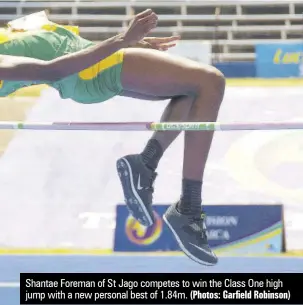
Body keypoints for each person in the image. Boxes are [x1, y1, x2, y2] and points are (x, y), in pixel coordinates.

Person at [0, 9, 225, 266]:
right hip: (89, 72)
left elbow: (54, 46)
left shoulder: (10, 33)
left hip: (93, 63)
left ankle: (146, 166)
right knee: (211, 81)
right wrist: (122, 40)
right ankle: (189, 208)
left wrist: (129, 44)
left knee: (193, 91)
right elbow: (52, 70)